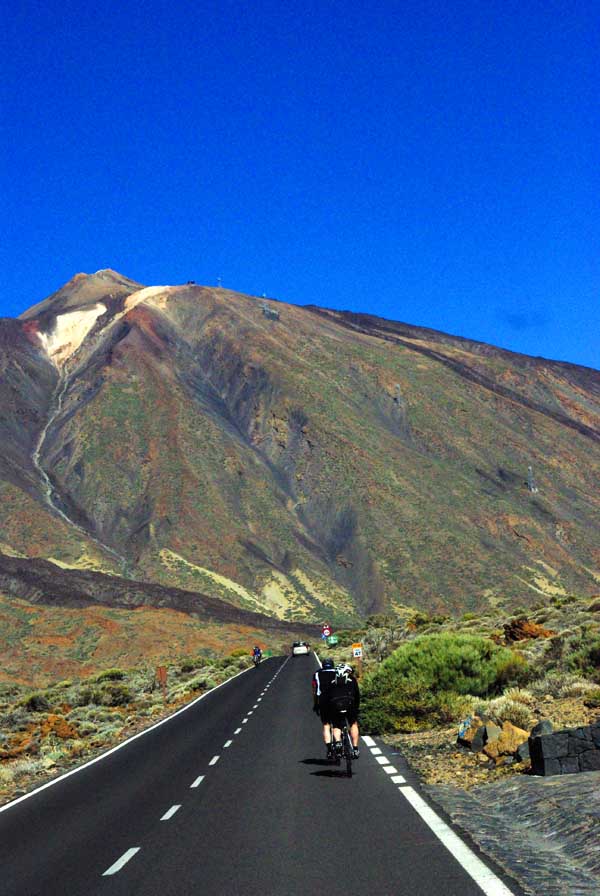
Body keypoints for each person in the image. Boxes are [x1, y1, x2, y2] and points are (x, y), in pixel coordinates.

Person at [325, 663, 361, 759]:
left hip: (335, 707)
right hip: (350, 706)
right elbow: (357, 695)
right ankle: (355, 748)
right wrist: (357, 708)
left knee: (336, 725)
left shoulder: (331, 682)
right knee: (353, 724)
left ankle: (338, 742)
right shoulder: (352, 680)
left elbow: (327, 698)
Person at [312, 658, 337, 758]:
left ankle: (330, 749)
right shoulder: (337, 672)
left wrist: (316, 704)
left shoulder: (317, 674)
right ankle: (340, 742)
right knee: (337, 723)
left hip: (323, 701)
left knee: (326, 725)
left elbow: (314, 691)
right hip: (337, 700)